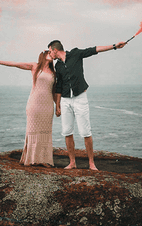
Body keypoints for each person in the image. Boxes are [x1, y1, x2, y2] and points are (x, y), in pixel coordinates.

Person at [47, 40, 127, 170]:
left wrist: (114, 46)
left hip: (80, 98)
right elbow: (59, 86)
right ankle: (72, 162)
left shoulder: (75, 54)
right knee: (67, 131)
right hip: (66, 100)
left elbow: (94, 50)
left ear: (55, 50)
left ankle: (91, 163)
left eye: (50, 51)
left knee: (85, 131)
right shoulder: (58, 66)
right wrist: (57, 105)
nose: (50, 54)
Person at [0, 50, 58, 167]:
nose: (52, 55)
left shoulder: (53, 72)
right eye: (49, 53)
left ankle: (43, 160)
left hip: (47, 105)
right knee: (33, 130)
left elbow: (54, 91)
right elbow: (16, 64)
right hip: (35, 104)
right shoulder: (35, 66)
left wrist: (58, 106)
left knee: (45, 132)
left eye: (53, 54)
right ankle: (31, 159)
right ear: (43, 55)